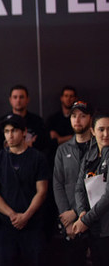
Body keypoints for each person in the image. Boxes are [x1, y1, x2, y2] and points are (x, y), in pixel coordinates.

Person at [0, 114, 50, 266]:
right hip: (5, 226)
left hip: (32, 225)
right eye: (7, 131)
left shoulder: (37, 158)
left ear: (24, 132)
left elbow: (42, 191)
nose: (10, 135)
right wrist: (12, 215)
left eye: (14, 130)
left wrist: (26, 216)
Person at [52, 101, 94, 265]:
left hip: (96, 217)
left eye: (82, 116)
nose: (77, 120)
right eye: (74, 116)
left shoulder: (100, 147)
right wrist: (66, 217)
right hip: (70, 221)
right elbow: (57, 183)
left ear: (91, 118)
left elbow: (100, 187)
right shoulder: (63, 150)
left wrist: (76, 212)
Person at [73, 112, 109, 266]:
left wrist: (85, 220)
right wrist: (81, 212)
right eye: (101, 129)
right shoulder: (89, 156)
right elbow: (79, 188)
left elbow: (108, 196)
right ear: (93, 131)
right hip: (94, 228)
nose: (106, 134)